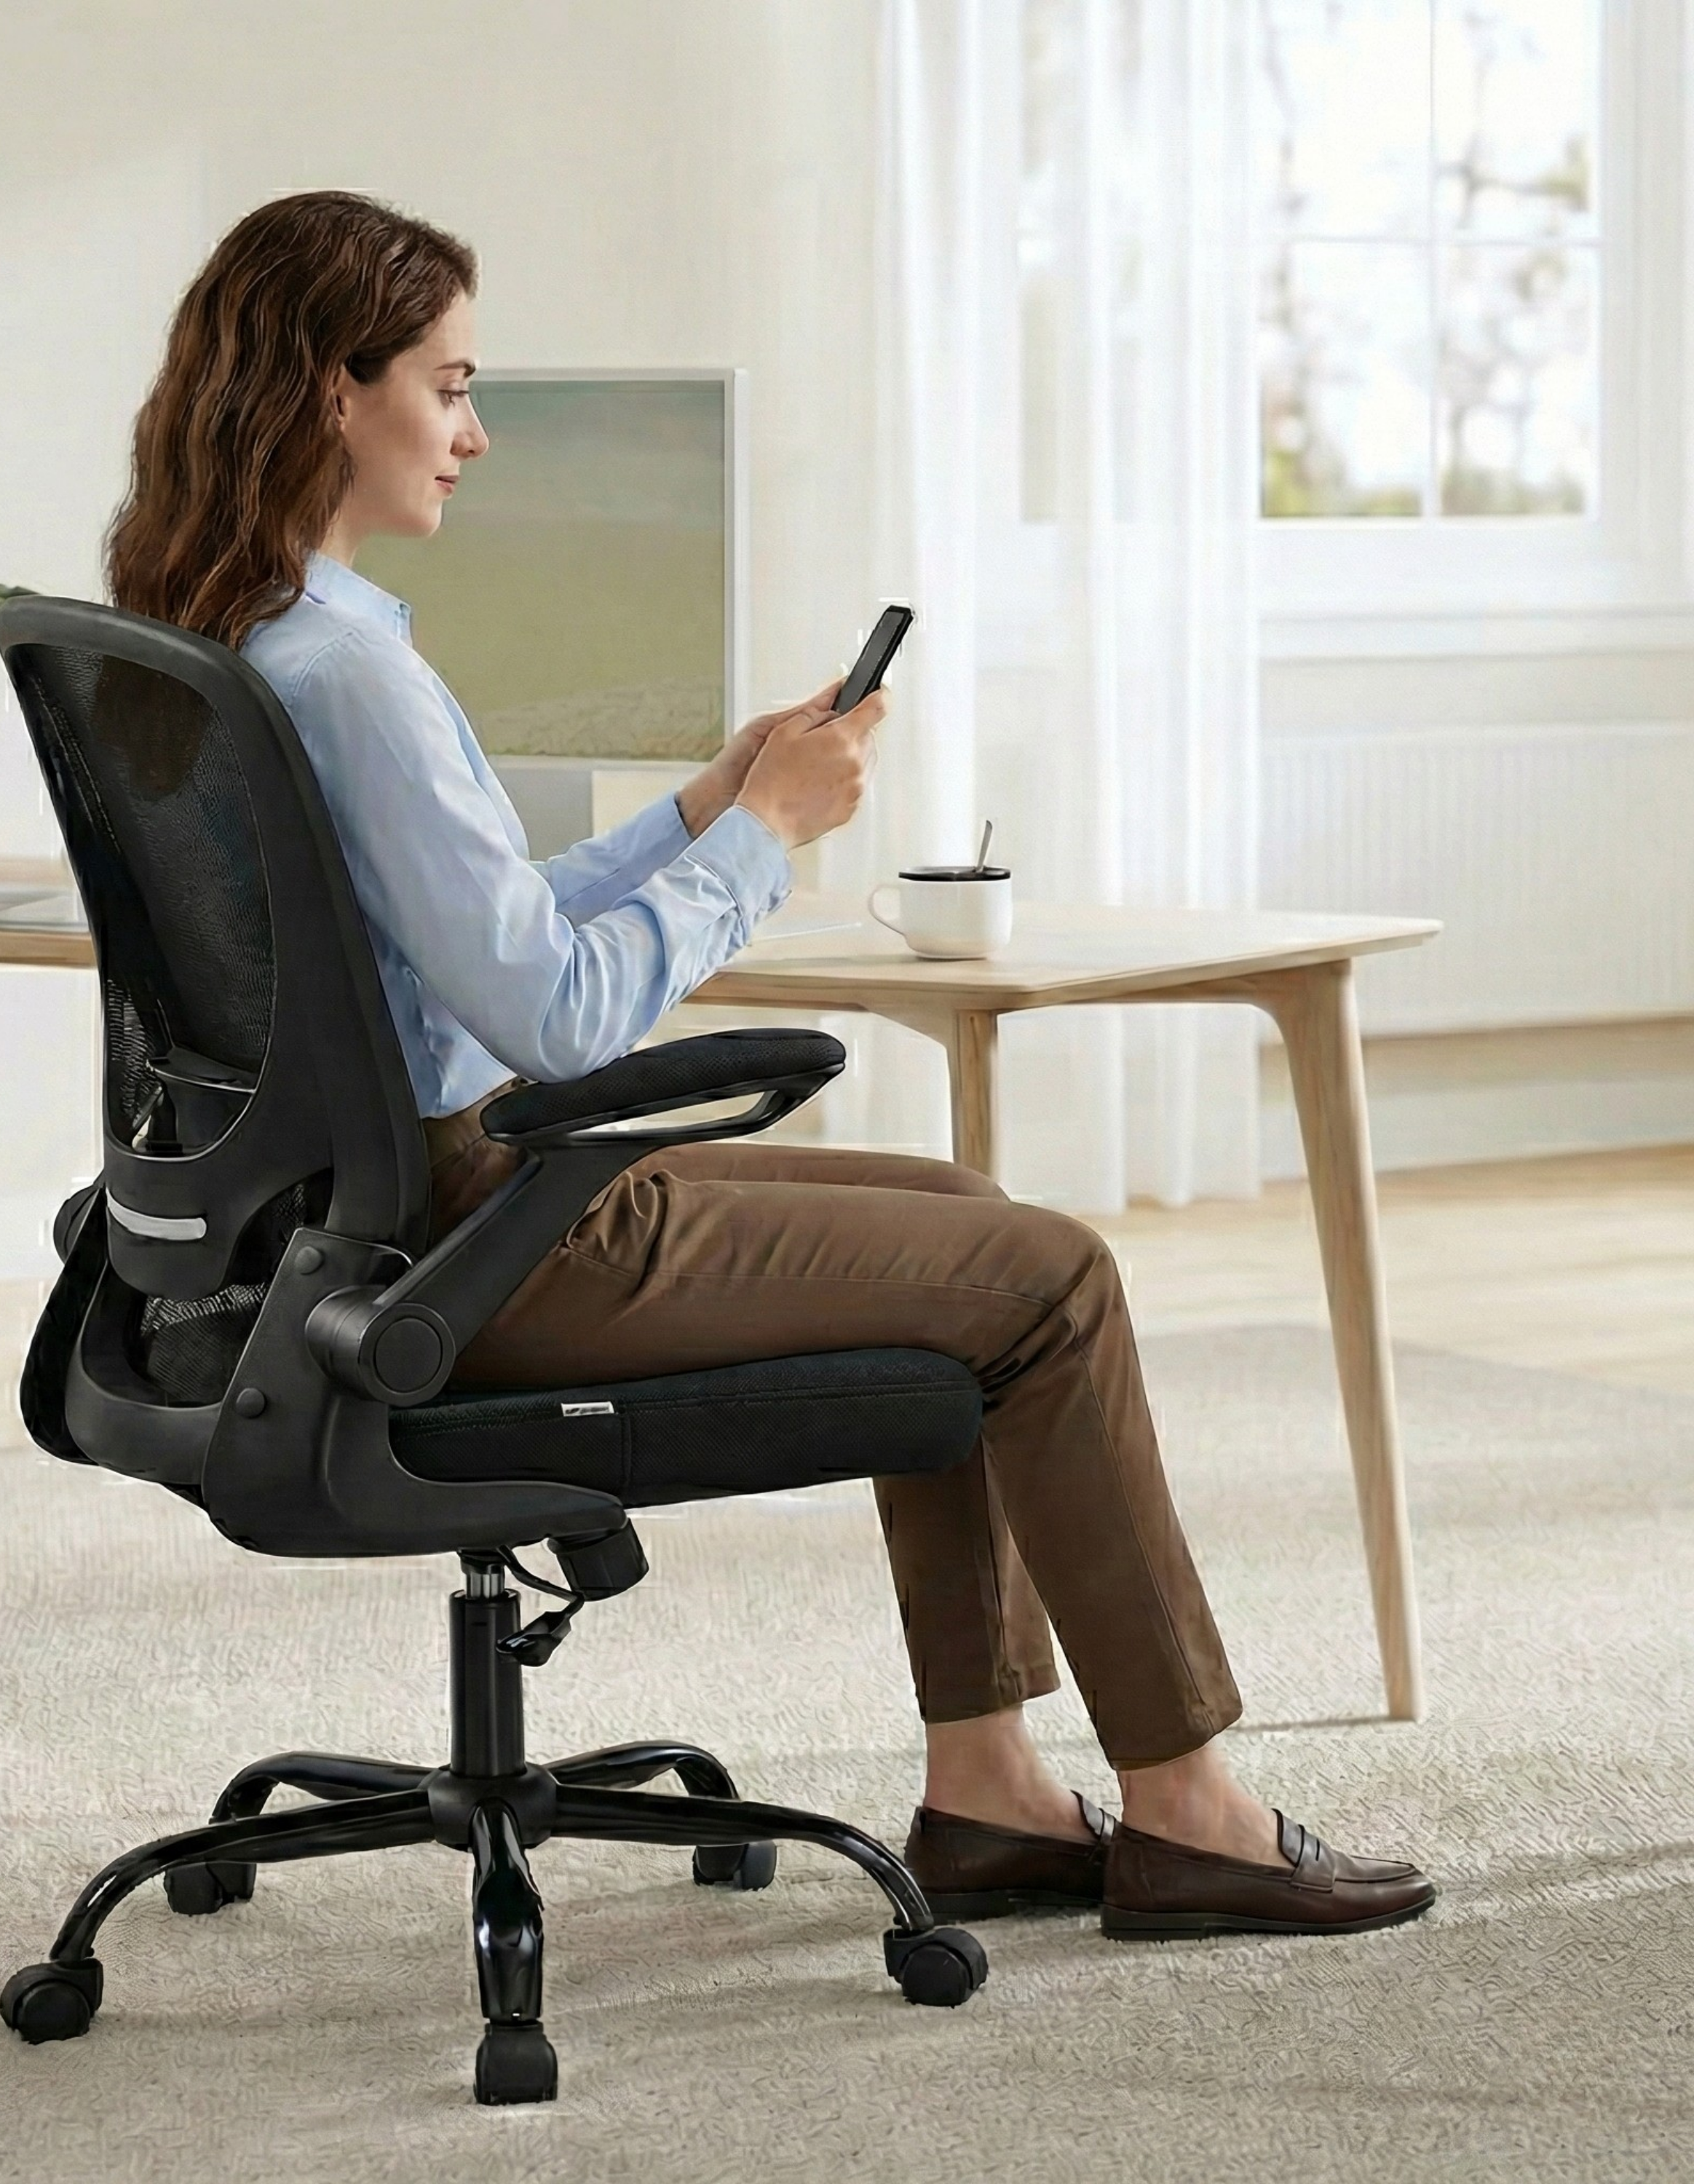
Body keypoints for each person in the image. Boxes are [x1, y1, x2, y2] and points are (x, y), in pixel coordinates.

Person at [106, 189, 1435, 1941]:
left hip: (348, 1225)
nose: (477, 431)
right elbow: (562, 1018)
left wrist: (702, 808)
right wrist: (766, 852)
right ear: (332, 392)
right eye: (450, 383)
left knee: (966, 1219)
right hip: (475, 1242)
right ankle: (1189, 1813)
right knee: (1050, 1278)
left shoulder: (242, 635)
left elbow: (465, 930)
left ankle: (992, 1793)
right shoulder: (354, 672)